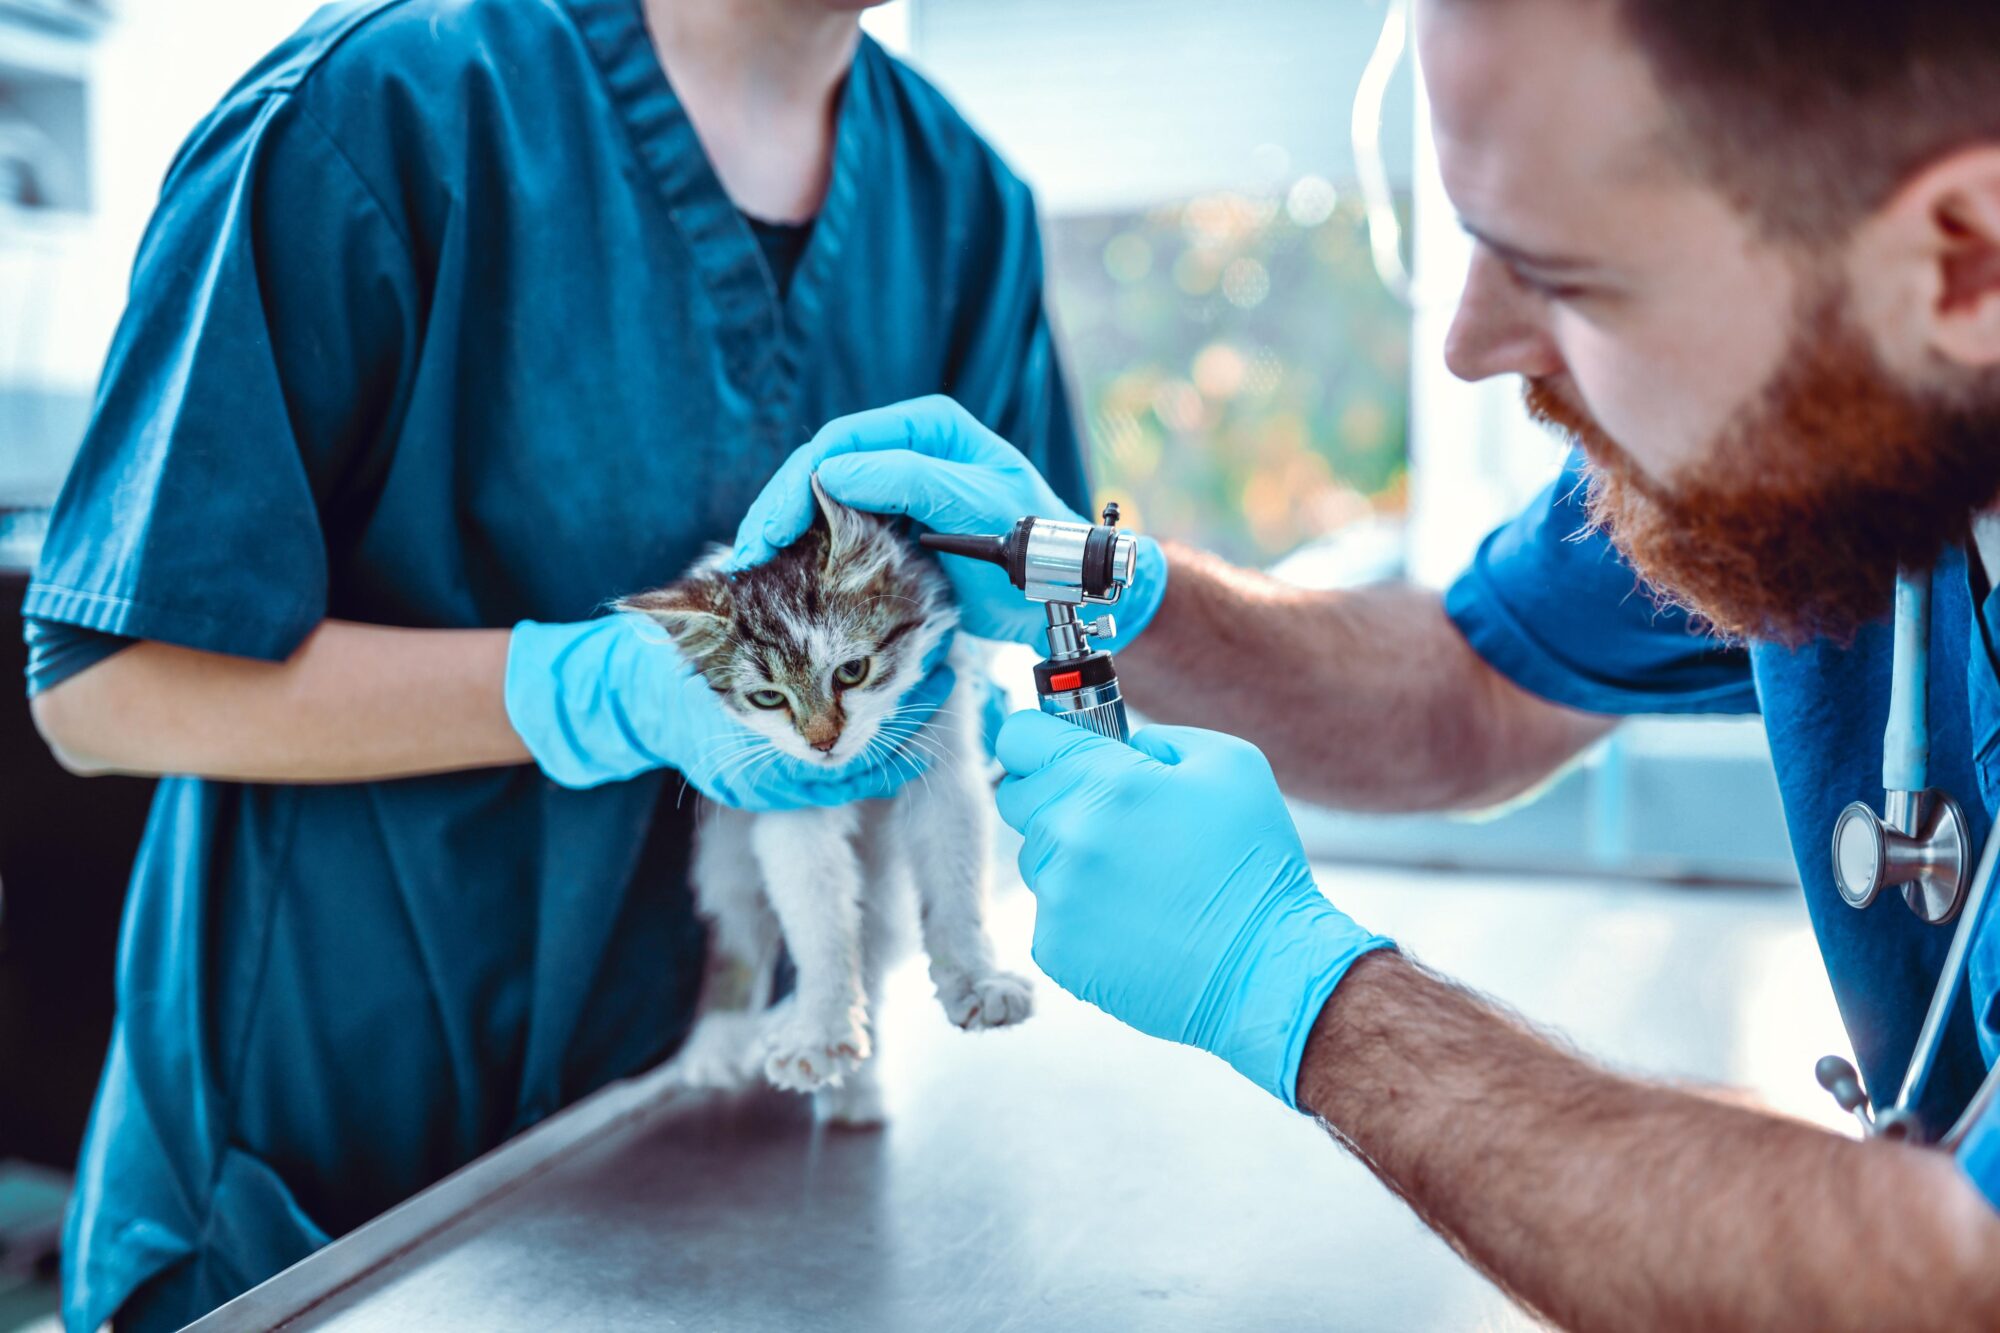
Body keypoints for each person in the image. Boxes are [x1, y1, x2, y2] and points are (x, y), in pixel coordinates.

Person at [731, 0, 2000, 1325]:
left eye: (1565, 277)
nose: (1468, 345)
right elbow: (1469, 677)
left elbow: (1960, 1286)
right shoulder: (1824, 402)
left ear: (1962, 260)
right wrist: (1101, 590)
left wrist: (1291, 984)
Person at [23, 0, 1089, 1327]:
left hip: (693, 1178)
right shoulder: (380, 111)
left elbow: (1030, 624)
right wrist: (589, 688)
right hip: (317, 1198)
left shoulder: (965, 211)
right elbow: (102, 682)